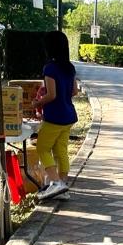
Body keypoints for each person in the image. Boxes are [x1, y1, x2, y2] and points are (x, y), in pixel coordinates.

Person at [35, 30, 79, 202]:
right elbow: (74, 91)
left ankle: (56, 183)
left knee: (42, 148)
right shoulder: (70, 67)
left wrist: (37, 103)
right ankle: (63, 186)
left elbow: (51, 95)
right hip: (69, 115)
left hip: (54, 117)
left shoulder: (50, 68)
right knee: (61, 151)